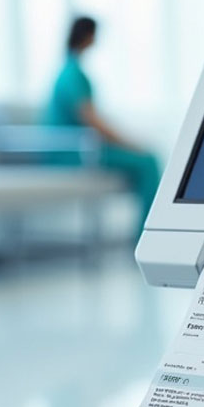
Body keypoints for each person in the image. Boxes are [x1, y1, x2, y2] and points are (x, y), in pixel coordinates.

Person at [44, 16, 160, 240]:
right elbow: (93, 122)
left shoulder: (68, 70)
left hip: (76, 149)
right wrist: (131, 144)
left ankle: (148, 231)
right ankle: (147, 237)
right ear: (88, 36)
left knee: (145, 160)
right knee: (148, 161)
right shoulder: (72, 75)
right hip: (73, 154)